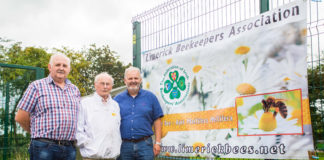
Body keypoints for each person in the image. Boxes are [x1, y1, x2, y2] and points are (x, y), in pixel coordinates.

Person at [15, 53, 81, 160]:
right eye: (57, 65)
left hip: (69, 148)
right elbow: (20, 117)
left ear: (69, 69)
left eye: (64, 66)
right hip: (44, 147)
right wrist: (36, 133)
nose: (61, 68)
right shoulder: (36, 86)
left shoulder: (75, 90)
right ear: (50, 67)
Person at [114, 66, 164, 160]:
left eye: (136, 78)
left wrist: (157, 142)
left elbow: (157, 120)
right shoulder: (117, 99)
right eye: (130, 78)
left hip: (145, 145)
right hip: (124, 146)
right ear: (125, 80)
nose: (133, 81)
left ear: (140, 80)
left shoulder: (151, 97)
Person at [76, 72, 121, 160]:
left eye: (108, 84)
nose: (105, 86)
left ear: (111, 87)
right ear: (95, 85)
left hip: (112, 157)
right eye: (102, 83)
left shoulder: (115, 105)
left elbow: (117, 129)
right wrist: (90, 145)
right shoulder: (85, 104)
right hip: (92, 157)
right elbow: (78, 130)